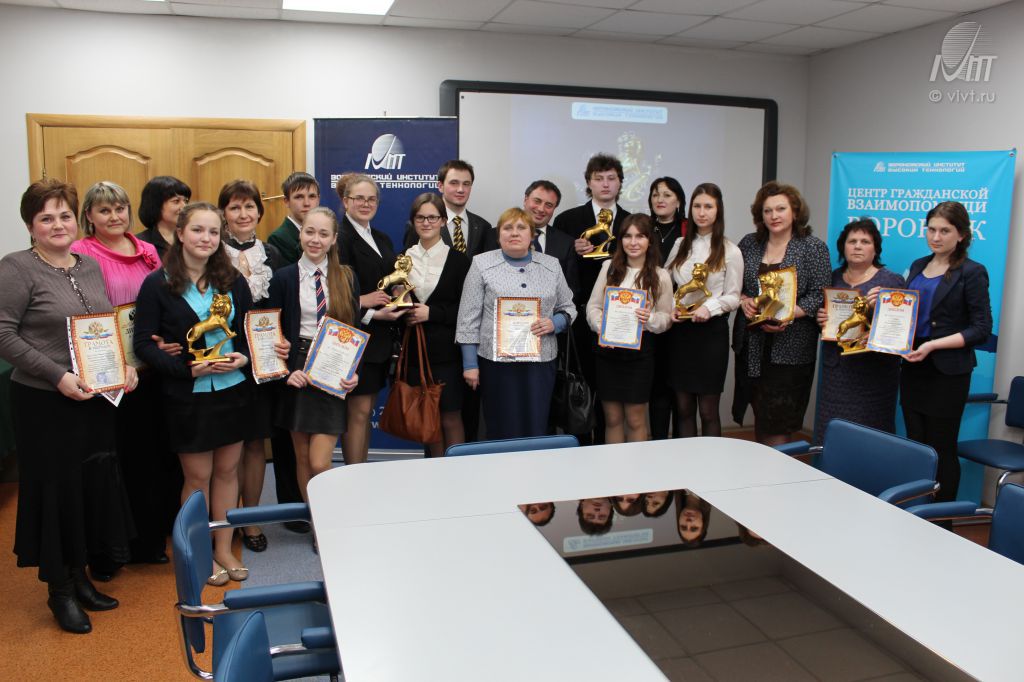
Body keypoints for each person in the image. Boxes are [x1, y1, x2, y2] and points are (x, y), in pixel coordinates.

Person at [0, 179, 137, 633]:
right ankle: (59, 590)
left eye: (64, 216)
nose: (57, 225)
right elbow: (3, 334)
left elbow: (102, 325)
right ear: (30, 226)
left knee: (86, 488)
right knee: (56, 491)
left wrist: (124, 364)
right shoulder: (16, 268)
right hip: (44, 401)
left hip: (93, 398)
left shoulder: (88, 265)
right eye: (46, 218)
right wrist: (56, 375)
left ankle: (80, 578)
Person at [134, 202, 264, 587]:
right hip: (187, 395)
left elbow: (249, 331)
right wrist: (186, 369)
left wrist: (244, 356)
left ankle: (224, 547)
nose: (205, 238)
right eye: (197, 230)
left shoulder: (233, 280)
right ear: (180, 233)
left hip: (233, 391)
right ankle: (199, 552)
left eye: (213, 232)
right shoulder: (157, 284)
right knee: (197, 477)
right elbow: (144, 345)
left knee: (227, 472)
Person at [72, 181, 173, 571]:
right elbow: (85, 315)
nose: (114, 216)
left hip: (150, 368)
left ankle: (149, 539)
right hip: (108, 372)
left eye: (119, 208)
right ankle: (112, 548)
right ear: (89, 216)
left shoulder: (147, 251)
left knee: (151, 455)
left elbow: (164, 300)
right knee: (114, 460)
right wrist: (115, 362)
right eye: (104, 210)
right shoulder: (81, 253)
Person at [268, 207, 359, 520]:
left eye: (323, 234)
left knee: (320, 462)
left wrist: (354, 372)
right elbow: (270, 332)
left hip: (332, 369)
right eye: (309, 232)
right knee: (303, 457)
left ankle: (329, 515)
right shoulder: (283, 278)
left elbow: (354, 330)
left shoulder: (346, 277)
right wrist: (284, 372)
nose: (315, 239)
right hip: (297, 370)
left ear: (333, 239)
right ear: (300, 234)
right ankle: (317, 523)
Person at [456, 207, 576, 440]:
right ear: (498, 235)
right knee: (500, 425)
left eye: (521, 228)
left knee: (536, 425)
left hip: (540, 362)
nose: (514, 233)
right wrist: (470, 364)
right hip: (496, 364)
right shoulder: (481, 264)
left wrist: (555, 323)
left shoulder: (551, 265)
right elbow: (467, 318)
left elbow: (568, 307)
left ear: (532, 235)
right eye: (507, 228)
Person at [901, 201, 992, 503]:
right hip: (913, 366)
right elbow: (906, 312)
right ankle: (917, 509)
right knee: (916, 445)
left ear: (961, 235)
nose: (936, 237)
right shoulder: (918, 265)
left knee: (941, 448)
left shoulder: (972, 272)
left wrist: (933, 345)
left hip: (947, 372)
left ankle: (941, 519)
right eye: (931, 230)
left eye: (945, 231)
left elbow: (981, 328)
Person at [735, 181, 831, 446]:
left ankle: (779, 471)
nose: (773, 216)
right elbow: (735, 286)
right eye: (767, 211)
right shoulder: (749, 244)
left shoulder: (812, 247)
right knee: (760, 415)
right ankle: (762, 470)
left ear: (795, 212)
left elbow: (820, 294)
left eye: (781, 209)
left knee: (779, 422)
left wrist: (788, 313)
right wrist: (744, 302)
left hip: (791, 349)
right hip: (753, 347)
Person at [218, 180, 282, 552]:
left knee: (256, 443)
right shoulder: (212, 254)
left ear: (259, 211)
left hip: (264, 360)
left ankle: (251, 519)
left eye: (249, 206)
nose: (243, 214)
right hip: (224, 359)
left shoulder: (272, 253)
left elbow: (284, 304)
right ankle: (222, 521)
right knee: (228, 446)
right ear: (224, 213)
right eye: (235, 207)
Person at [553, 153, 630, 445]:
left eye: (611, 178)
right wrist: (572, 250)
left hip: (621, 319)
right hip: (578, 318)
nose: (605, 184)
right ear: (589, 182)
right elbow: (555, 269)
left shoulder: (632, 222)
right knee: (579, 389)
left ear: (620, 182)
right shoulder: (568, 220)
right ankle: (581, 451)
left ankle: (607, 452)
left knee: (611, 392)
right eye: (599, 179)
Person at [813, 218, 905, 444]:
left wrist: (877, 309)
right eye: (852, 241)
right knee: (833, 434)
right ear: (843, 247)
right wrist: (820, 318)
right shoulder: (832, 277)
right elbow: (824, 319)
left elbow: (899, 328)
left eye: (865, 241)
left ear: (876, 249)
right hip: (837, 373)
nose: (857, 246)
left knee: (870, 438)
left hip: (873, 374)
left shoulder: (890, 281)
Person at [336, 174, 407, 464]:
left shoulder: (381, 237)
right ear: (345, 201)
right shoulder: (339, 238)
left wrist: (400, 292)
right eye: (359, 198)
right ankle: (353, 475)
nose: (366, 204)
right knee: (358, 413)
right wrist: (369, 310)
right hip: (354, 338)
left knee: (364, 412)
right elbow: (333, 294)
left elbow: (391, 279)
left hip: (380, 341)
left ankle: (360, 472)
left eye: (371, 199)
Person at [665, 183, 743, 438]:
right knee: (683, 408)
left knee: (708, 411)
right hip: (681, 334)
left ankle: (712, 460)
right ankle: (687, 460)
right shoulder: (680, 245)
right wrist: (671, 308)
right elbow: (665, 284)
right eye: (697, 206)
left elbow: (734, 297)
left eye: (708, 206)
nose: (701, 212)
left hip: (711, 335)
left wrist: (709, 308)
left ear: (718, 210)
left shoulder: (731, 250)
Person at [586, 214, 672, 443]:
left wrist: (650, 318)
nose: (633, 242)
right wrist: (601, 326)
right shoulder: (608, 267)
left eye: (640, 236)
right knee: (612, 418)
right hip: (608, 353)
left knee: (635, 419)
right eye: (628, 236)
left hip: (640, 355)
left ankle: (637, 465)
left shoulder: (661, 275)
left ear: (650, 241)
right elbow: (593, 307)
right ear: (620, 239)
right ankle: (614, 465)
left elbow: (666, 318)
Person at [401, 193, 471, 455]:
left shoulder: (460, 261)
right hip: (416, 352)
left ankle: (456, 472)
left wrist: (433, 313)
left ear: (443, 220)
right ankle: (434, 471)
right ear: (413, 221)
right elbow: (394, 302)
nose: (426, 222)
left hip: (448, 353)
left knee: (450, 417)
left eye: (432, 217)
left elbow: (467, 310)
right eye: (420, 217)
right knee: (427, 418)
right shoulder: (402, 259)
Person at [648, 177, 688, 440]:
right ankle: (659, 443)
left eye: (667, 194)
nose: (660, 199)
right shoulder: (643, 228)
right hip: (650, 317)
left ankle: (681, 448)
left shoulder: (690, 230)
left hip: (682, 318)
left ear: (679, 201)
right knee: (657, 388)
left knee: (680, 390)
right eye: (655, 194)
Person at [402, 159, 495, 256]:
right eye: (454, 183)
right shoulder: (420, 225)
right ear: (440, 186)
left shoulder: (483, 227)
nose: (461, 189)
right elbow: (410, 262)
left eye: (466, 184)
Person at [522, 180, 579, 300]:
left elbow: (571, 290)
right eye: (537, 201)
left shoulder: (566, 243)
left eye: (548, 205)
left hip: (550, 311)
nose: (541, 209)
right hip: (504, 309)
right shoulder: (495, 235)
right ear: (525, 199)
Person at [267, 172, 320, 265]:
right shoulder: (278, 238)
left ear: (318, 200)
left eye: (312, 196)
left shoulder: (325, 233)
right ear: (287, 201)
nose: (307, 203)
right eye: (299, 197)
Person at [136, 176, 191, 261]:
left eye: (186, 201)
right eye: (176, 201)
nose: (184, 207)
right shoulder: (139, 243)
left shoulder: (192, 237)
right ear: (156, 205)